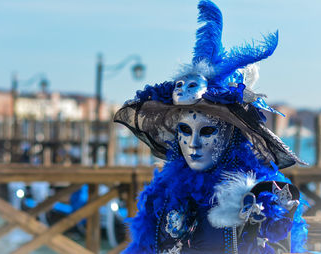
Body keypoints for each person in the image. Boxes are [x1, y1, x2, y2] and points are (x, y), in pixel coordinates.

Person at [114, 1, 308, 253]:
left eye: (207, 131)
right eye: (184, 130)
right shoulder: (162, 191)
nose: (193, 144)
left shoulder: (263, 196)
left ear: (231, 134)